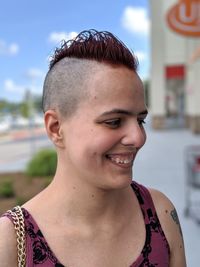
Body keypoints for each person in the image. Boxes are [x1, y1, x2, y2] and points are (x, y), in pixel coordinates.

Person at [0, 29, 186, 267]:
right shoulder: (10, 244)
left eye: (140, 120)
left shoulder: (160, 214)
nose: (138, 138)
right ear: (56, 128)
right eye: (114, 122)